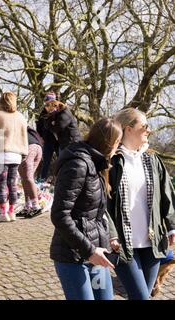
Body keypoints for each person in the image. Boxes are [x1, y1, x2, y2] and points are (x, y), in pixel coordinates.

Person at [50, 118, 123, 300]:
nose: (118, 147)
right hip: (73, 256)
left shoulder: (97, 163)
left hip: (98, 255)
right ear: (110, 143)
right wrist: (89, 250)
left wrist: (110, 237)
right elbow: (59, 215)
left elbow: (95, 212)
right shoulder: (78, 165)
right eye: (117, 142)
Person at [107, 108, 175, 300]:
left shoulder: (152, 159)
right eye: (144, 126)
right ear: (128, 129)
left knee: (143, 295)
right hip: (123, 244)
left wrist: (172, 227)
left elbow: (166, 196)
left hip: (152, 243)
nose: (149, 130)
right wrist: (111, 234)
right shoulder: (111, 161)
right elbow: (103, 204)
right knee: (140, 297)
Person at [0, 91, 28, 222]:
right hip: (16, 155)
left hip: (0, 154)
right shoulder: (21, 117)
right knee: (12, 184)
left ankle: (3, 214)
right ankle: (11, 212)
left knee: (1, 184)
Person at [17, 127, 44, 218]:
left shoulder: (4, 124)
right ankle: (28, 206)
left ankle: (36, 206)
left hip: (27, 148)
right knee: (25, 178)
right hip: (37, 148)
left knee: (27, 178)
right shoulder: (19, 122)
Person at [37, 93, 60, 180]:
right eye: (46, 104)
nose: (48, 106)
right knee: (46, 161)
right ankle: (42, 179)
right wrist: (41, 137)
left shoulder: (58, 112)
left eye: (50, 103)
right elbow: (39, 127)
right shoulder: (43, 113)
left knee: (61, 160)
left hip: (58, 141)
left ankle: (60, 179)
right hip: (47, 141)